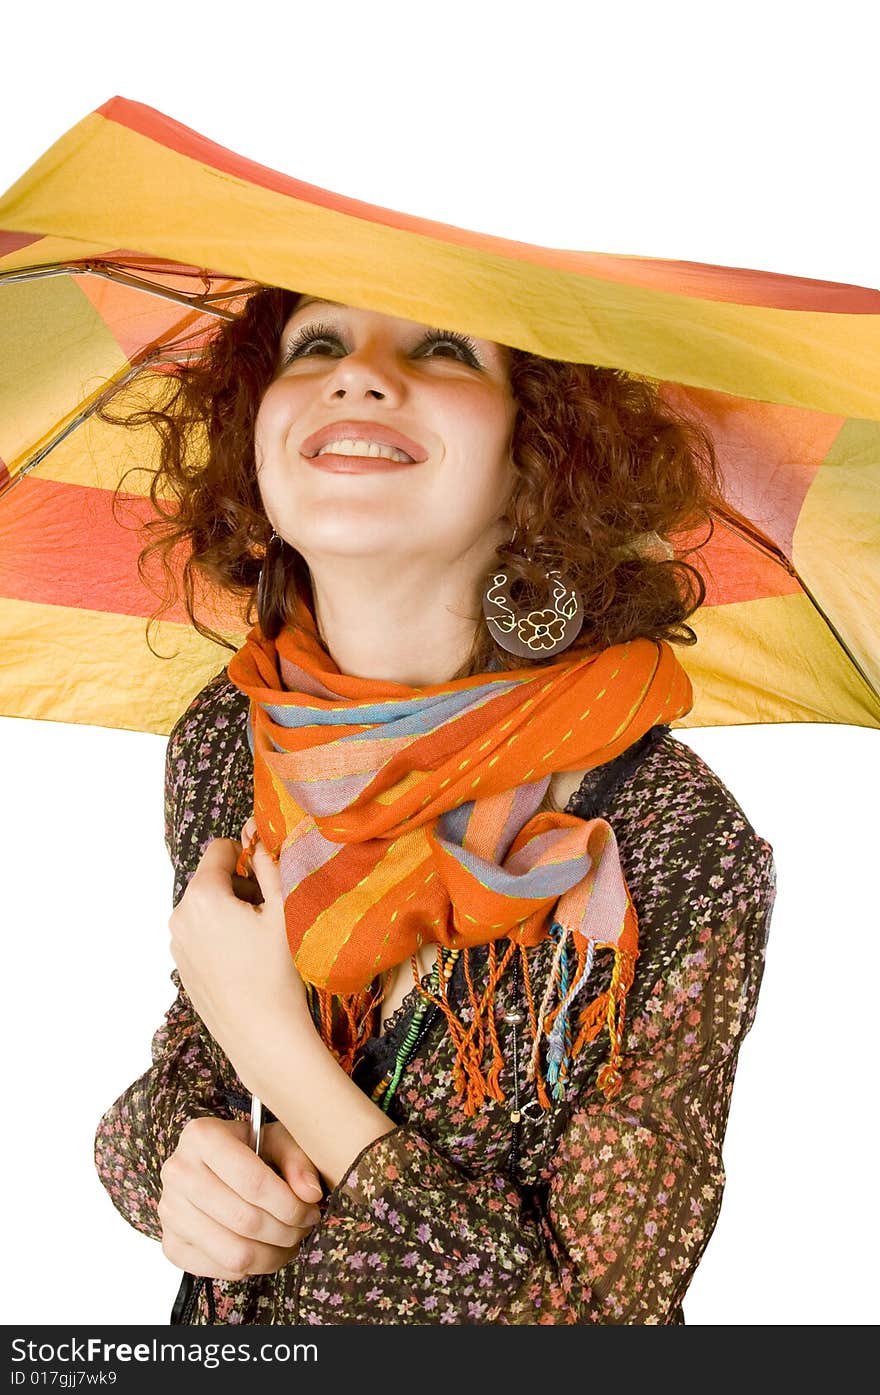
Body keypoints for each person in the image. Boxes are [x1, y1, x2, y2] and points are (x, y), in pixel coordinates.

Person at [93, 286, 777, 1325]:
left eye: (446, 348)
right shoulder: (229, 737)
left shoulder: (671, 831)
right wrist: (173, 1173)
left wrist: (288, 1063)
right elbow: (190, 1065)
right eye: (314, 343)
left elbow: (594, 1320)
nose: (357, 373)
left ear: (538, 465)